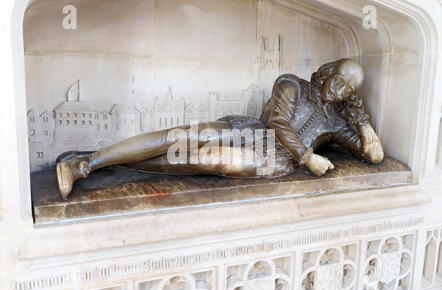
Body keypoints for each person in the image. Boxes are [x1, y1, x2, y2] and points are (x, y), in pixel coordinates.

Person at [56, 58, 384, 198]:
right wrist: (308, 157)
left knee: (211, 158)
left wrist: (361, 119)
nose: (340, 91)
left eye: (348, 90)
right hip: (254, 131)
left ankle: (100, 162)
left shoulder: (337, 122)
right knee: (182, 137)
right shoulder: (292, 85)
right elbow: (277, 123)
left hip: (275, 161)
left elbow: (373, 155)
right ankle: (86, 163)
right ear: (328, 73)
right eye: (340, 81)